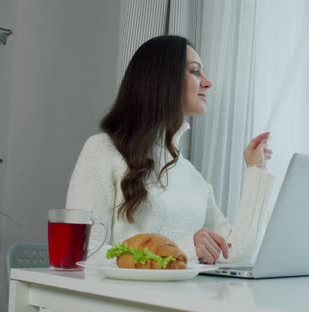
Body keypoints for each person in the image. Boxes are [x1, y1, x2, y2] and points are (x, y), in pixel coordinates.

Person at [65, 35, 274, 265]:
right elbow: (85, 253)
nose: (207, 82)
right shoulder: (102, 151)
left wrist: (257, 173)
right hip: (124, 300)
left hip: (183, 301)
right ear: (163, 79)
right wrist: (183, 250)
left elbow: (235, 256)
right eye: (195, 72)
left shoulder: (192, 176)